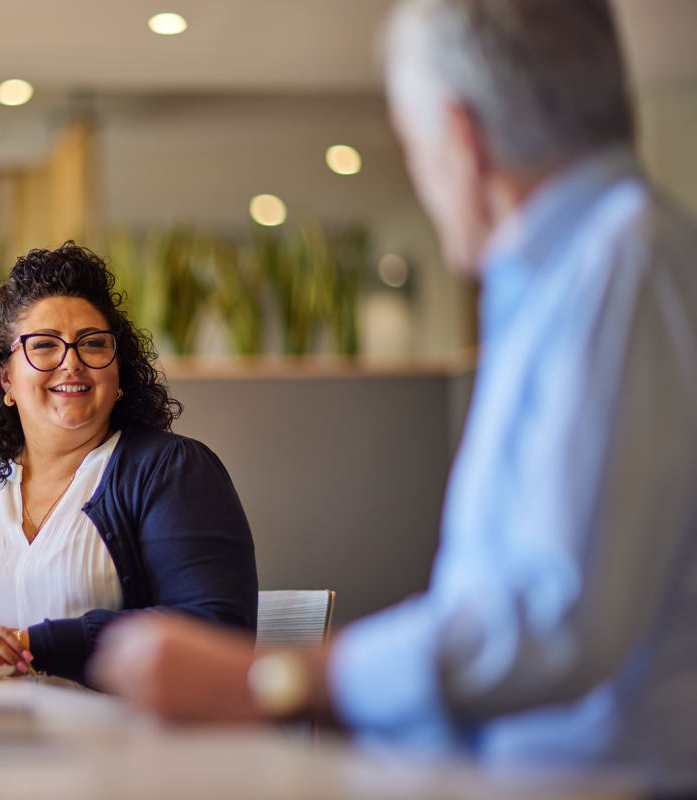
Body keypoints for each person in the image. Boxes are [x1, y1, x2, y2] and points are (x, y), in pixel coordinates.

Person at [90, 0, 697, 792]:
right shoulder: (586, 274)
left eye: (411, 147)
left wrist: (271, 681)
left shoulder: (621, 270)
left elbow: (547, 621)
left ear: (459, 138)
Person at [0, 242, 257, 685]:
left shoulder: (172, 469)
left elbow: (213, 624)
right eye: (44, 346)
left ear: (117, 371)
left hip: (117, 745)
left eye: (93, 344)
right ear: (6, 377)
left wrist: (29, 644)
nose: (72, 362)